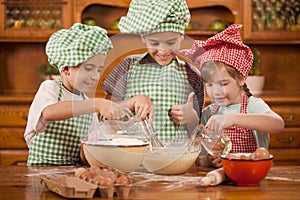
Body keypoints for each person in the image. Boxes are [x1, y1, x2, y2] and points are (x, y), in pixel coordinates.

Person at [24, 23, 153, 166]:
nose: (95, 76)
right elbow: (49, 112)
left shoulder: (86, 102)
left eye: (98, 70)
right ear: (66, 68)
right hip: (42, 170)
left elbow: (88, 146)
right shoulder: (51, 88)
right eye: (89, 68)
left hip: (71, 173)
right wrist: (97, 104)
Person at [181, 24, 285, 167]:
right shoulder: (209, 113)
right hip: (222, 181)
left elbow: (277, 124)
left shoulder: (252, 105)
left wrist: (232, 119)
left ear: (241, 79)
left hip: (251, 175)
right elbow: (199, 154)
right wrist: (207, 161)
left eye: (223, 84)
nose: (216, 91)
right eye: (210, 85)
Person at [102, 0, 205, 145]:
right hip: (133, 155)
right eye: (154, 43)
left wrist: (192, 119)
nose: (163, 51)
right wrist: (132, 102)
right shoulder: (127, 66)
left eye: (171, 42)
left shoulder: (192, 74)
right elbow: (106, 112)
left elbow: (198, 132)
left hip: (176, 158)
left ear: (182, 37)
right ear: (144, 38)